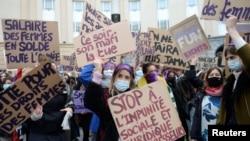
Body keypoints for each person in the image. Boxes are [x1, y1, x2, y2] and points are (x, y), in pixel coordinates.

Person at [83, 58, 136, 141]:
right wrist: (98, 71)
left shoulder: (136, 99)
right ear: (114, 77)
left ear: (131, 81)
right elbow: (90, 103)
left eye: (127, 77)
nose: (123, 79)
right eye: (120, 76)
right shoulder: (106, 95)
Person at [25, 60, 74, 141]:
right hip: (39, 134)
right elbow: (19, 113)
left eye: (54, 70)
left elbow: (71, 102)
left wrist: (71, 109)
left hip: (59, 133)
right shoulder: (30, 88)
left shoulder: (64, 87)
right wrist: (33, 116)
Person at [216, 14, 250, 125]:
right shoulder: (229, 80)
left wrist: (232, 30)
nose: (230, 61)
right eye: (227, 59)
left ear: (241, 56)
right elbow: (223, 110)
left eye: (233, 57)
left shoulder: (248, 76)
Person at [190, 67, 224, 141]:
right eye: (211, 75)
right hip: (203, 135)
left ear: (221, 77)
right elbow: (197, 116)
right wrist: (194, 136)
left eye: (217, 75)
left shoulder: (227, 95)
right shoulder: (201, 94)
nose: (214, 76)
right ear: (207, 77)